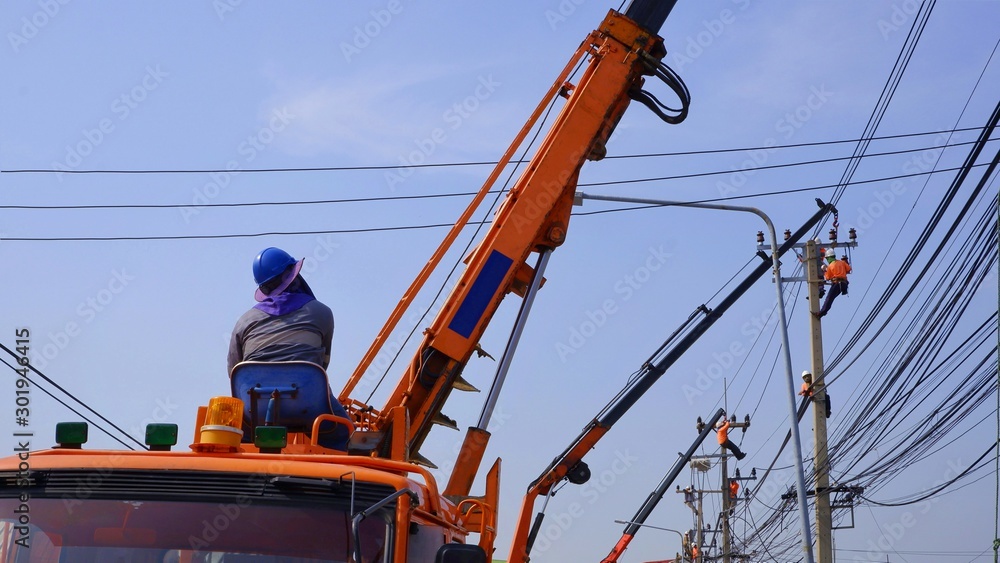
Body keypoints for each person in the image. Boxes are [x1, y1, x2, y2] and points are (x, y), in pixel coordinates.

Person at [229, 247, 349, 449]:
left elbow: (234, 371)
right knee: (343, 433)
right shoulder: (322, 312)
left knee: (238, 441)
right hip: (311, 406)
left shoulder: (244, 321)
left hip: (254, 411)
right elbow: (322, 363)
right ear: (294, 276)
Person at [814, 250, 851, 318]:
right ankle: (822, 312)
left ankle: (821, 313)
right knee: (830, 298)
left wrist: (825, 270)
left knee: (829, 299)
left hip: (837, 284)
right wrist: (845, 262)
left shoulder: (830, 266)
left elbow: (827, 278)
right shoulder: (842, 262)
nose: (827, 260)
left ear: (828, 258)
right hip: (844, 284)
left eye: (827, 258)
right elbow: (849, 269)